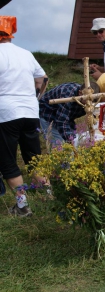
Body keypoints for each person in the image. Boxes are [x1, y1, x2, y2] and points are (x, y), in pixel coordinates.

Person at [0, 16, 48, 217]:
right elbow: (42, 78)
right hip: (30, 112)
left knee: (8, 161)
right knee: (34, 158)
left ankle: (22, 206)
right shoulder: (25, 53)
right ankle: (50, 197)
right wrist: (36, 97)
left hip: (6, 113)